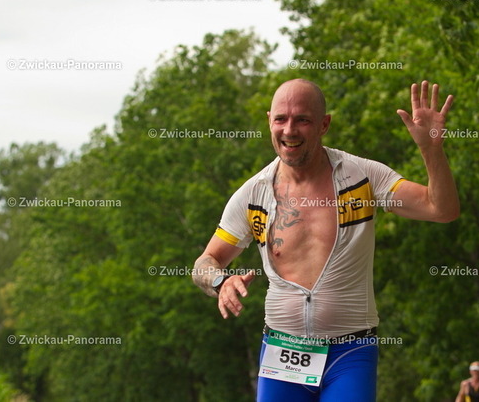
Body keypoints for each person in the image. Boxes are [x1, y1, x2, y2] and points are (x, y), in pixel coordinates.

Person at [192, 78, 460, 401]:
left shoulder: (362, 177)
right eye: (281, 119)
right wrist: (220, 281)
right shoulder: (253, 194)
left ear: (324, 125)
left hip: (349, 352)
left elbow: (441, 209)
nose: (289, 130)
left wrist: (431, 150)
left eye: (302, 120)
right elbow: (204, 263)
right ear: (269, 121)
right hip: (282, 352)